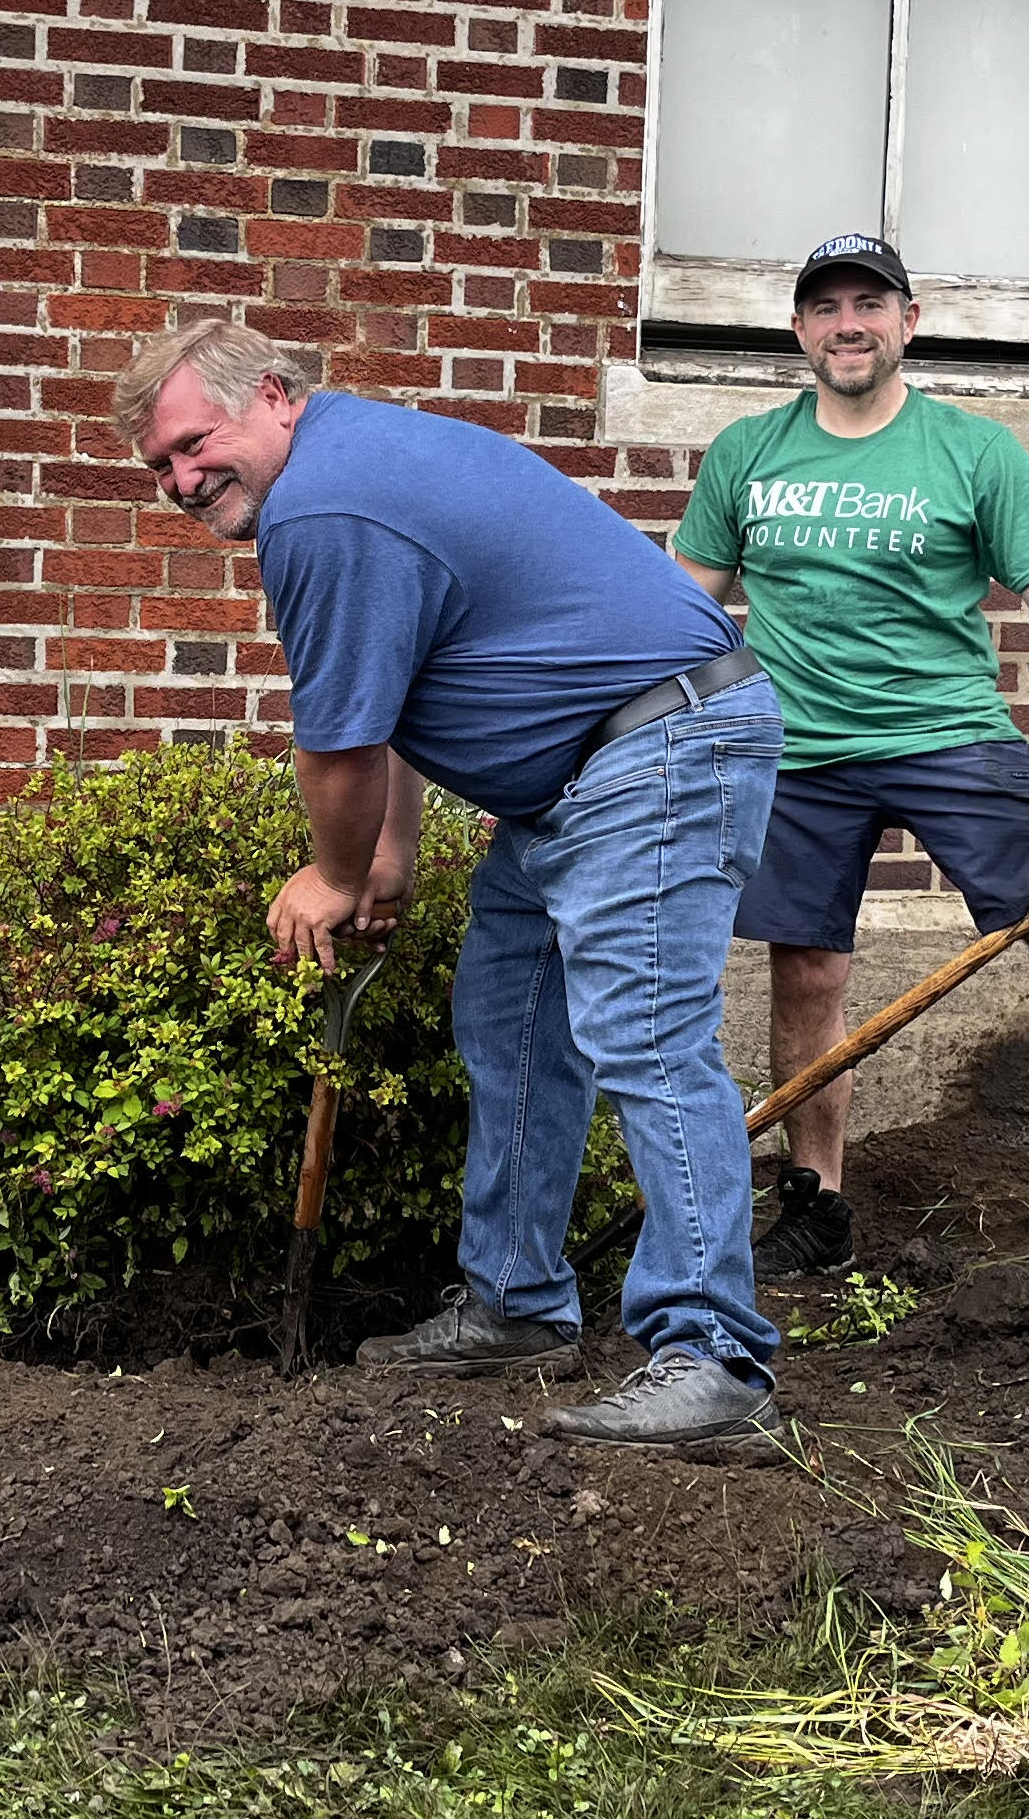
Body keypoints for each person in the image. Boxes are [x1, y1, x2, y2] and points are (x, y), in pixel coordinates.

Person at [118, 316, 788, 1457]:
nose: (183, 480)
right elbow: (387, 697)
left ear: (271, 394)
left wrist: (335, 874)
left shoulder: (322, 507)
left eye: (194, 443)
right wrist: (389, 857)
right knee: (507, 1016)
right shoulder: (348, 463)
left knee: (646, 1038)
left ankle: (715, 1358)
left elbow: (337, 751)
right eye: (161, 467)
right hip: (581, 776)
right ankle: (517, 1304)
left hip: (652, 755)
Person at [668, 231, 1029, 1278]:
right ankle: (818, 1205)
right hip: (800, 748)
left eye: (869, 304)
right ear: (799, 329)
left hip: (949, 734)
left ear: (908, 322)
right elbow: (682, 610)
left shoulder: (972, 450)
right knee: (806, 970)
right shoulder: (745, 453)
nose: (848, 325)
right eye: (826, 307)